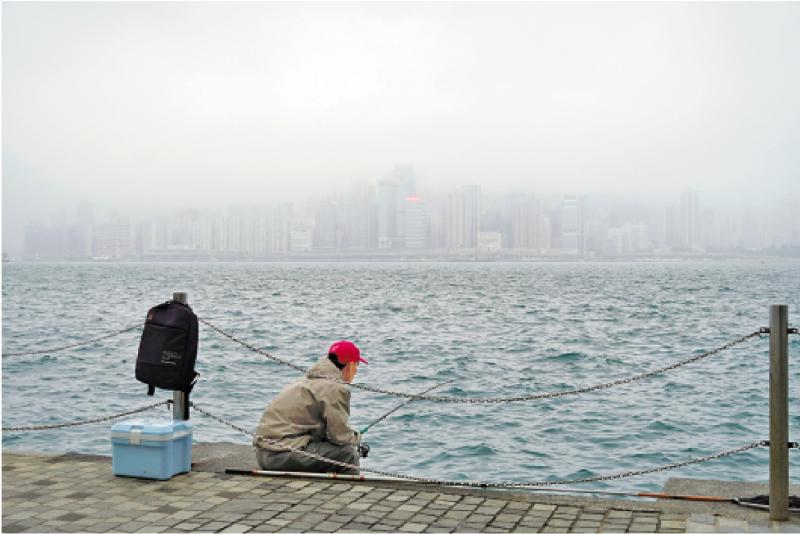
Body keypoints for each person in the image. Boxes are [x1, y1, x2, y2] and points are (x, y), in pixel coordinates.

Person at [253, 340, 368, 474]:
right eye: (357, 365)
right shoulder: (335, 388)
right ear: (349, 365)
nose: (356, 371)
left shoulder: (309, 380)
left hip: (265, 454)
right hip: (280, 455)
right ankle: (350, 494)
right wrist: (357, 438)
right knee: (348, 454)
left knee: (331, 450)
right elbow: (340, 436)